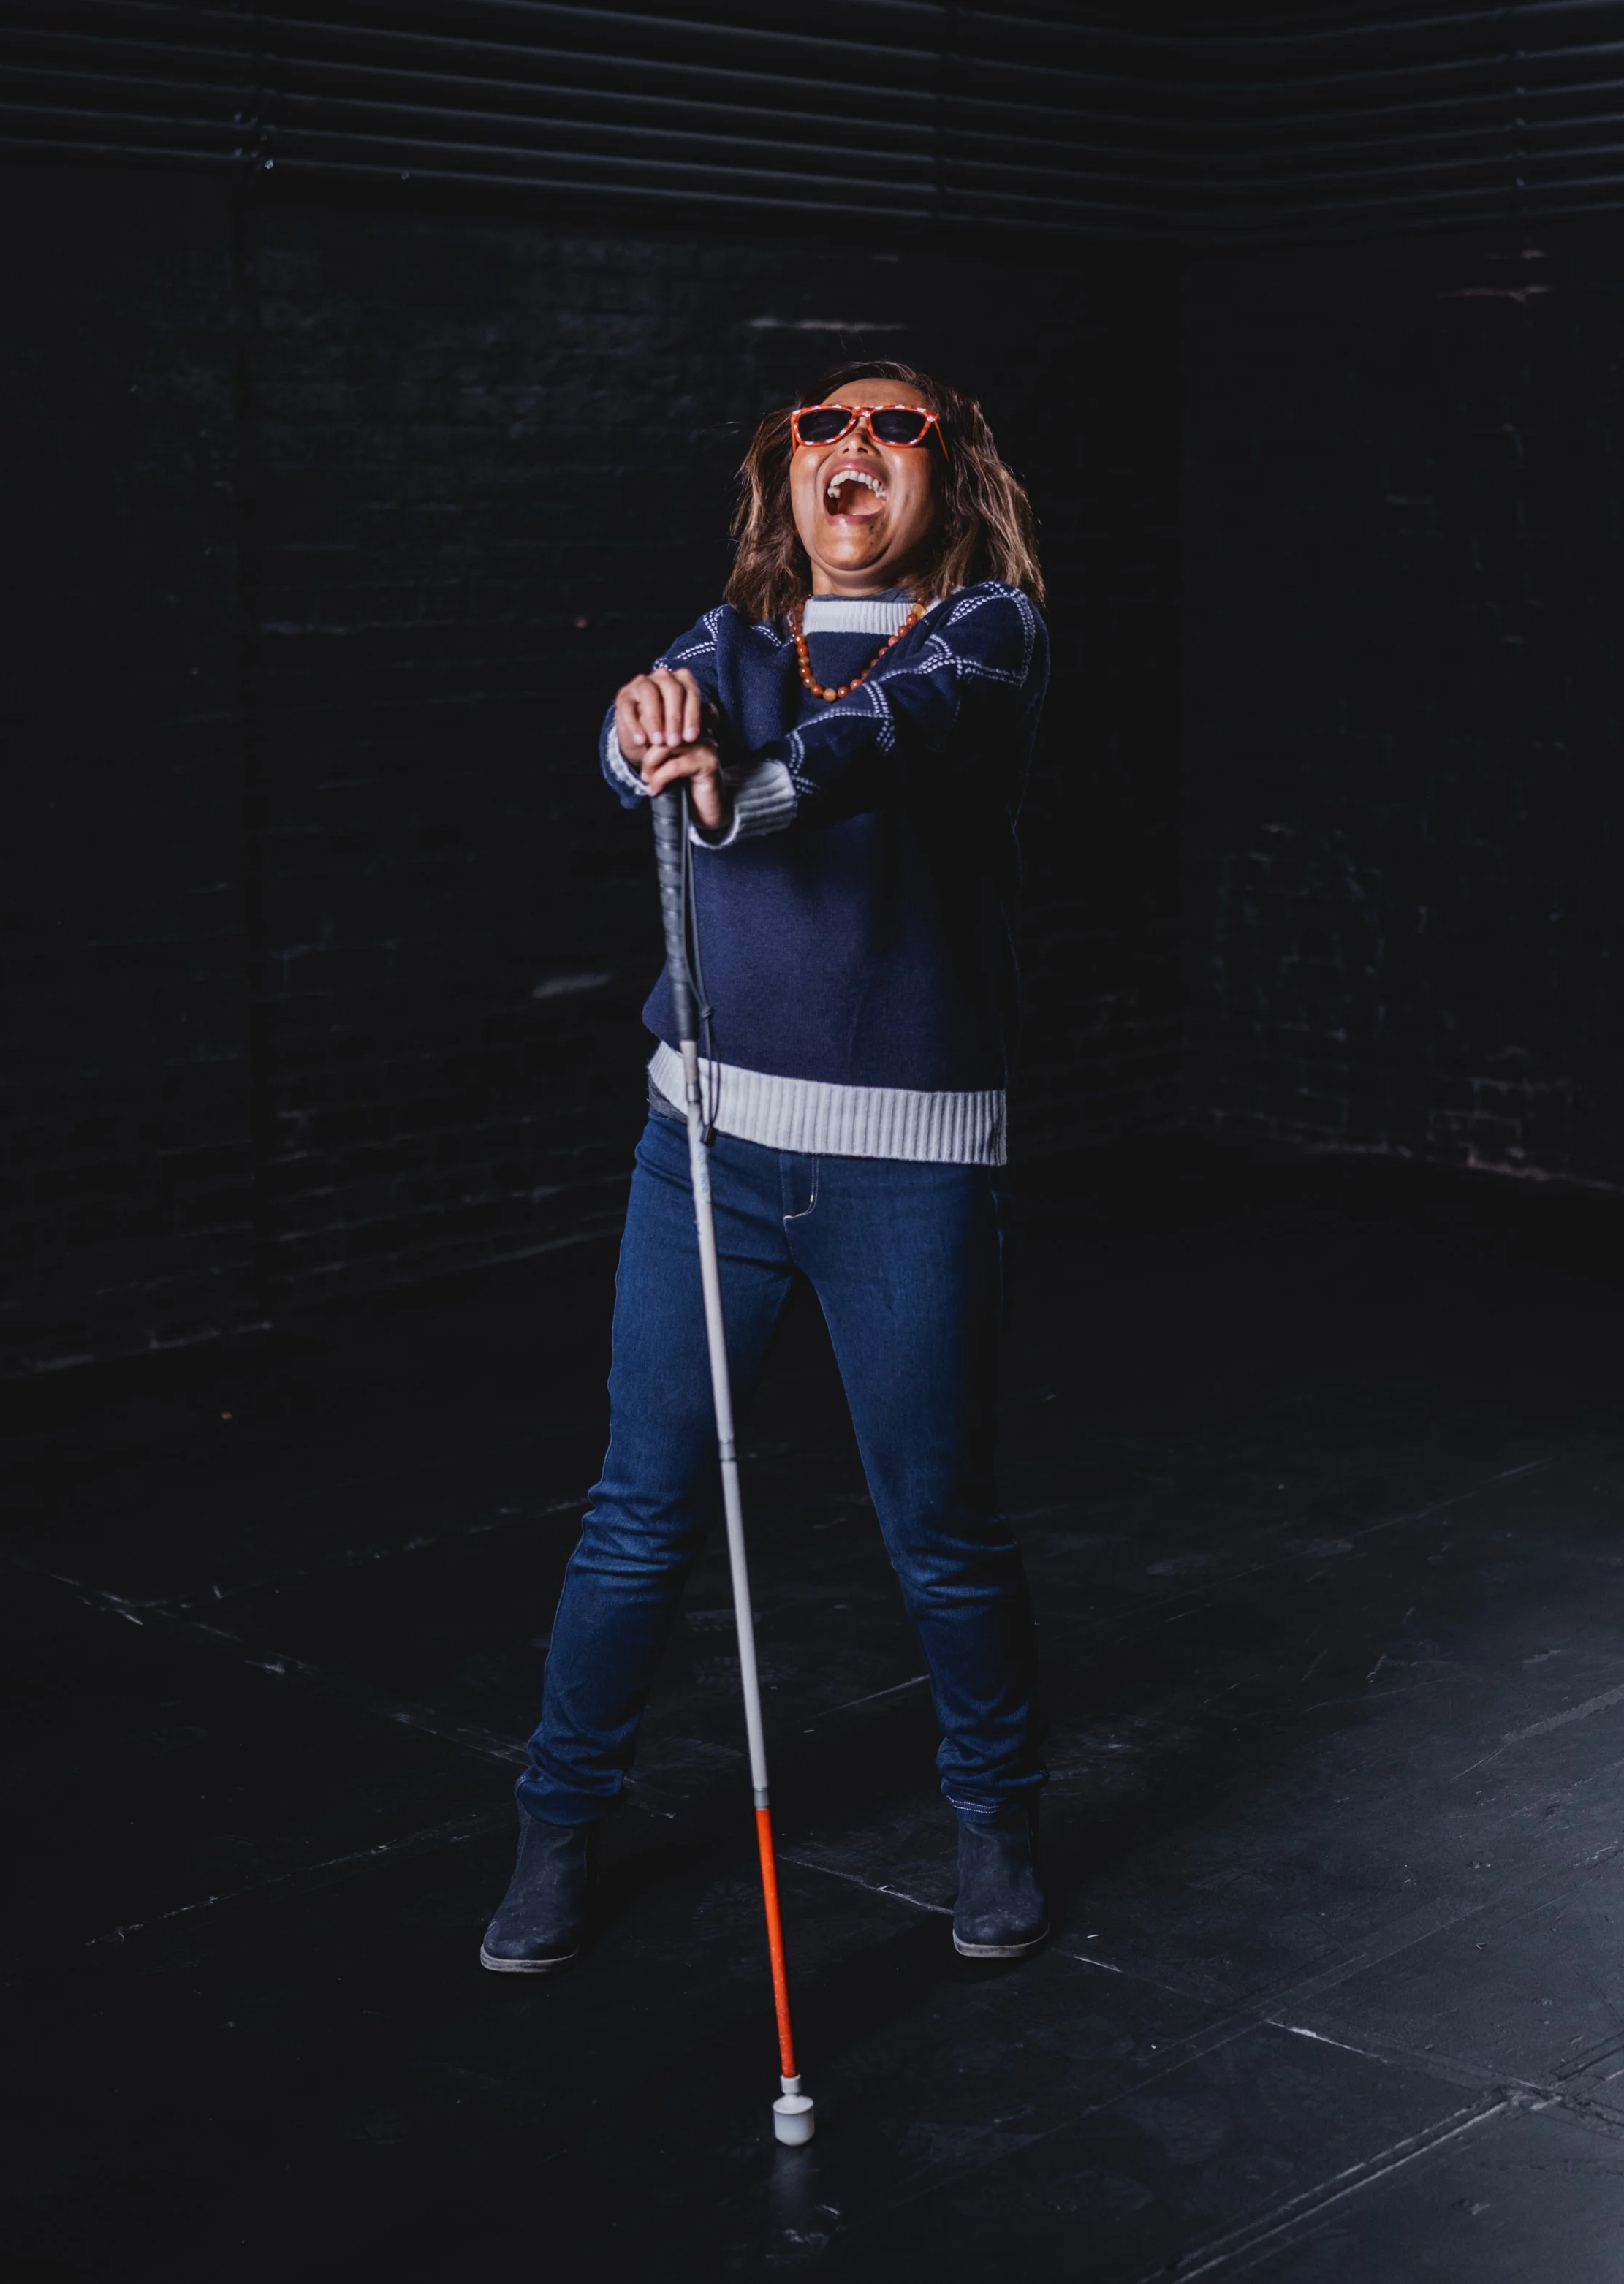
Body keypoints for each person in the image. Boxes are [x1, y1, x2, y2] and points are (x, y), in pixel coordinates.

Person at [482, 360, 1052, 1974]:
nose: (851, 446)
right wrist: (641, 725)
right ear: (785, 470)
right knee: (634, 1514)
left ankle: (996, 1819)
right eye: (823, 426)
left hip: (905, 1170)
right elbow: (634, 748)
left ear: (951, 472)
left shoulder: (987, 632)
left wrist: (739, 790)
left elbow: (883, 735)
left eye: (894, 426)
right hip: (705, 1155)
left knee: (941, 1529)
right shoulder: (722, 641)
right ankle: (555, 1830)